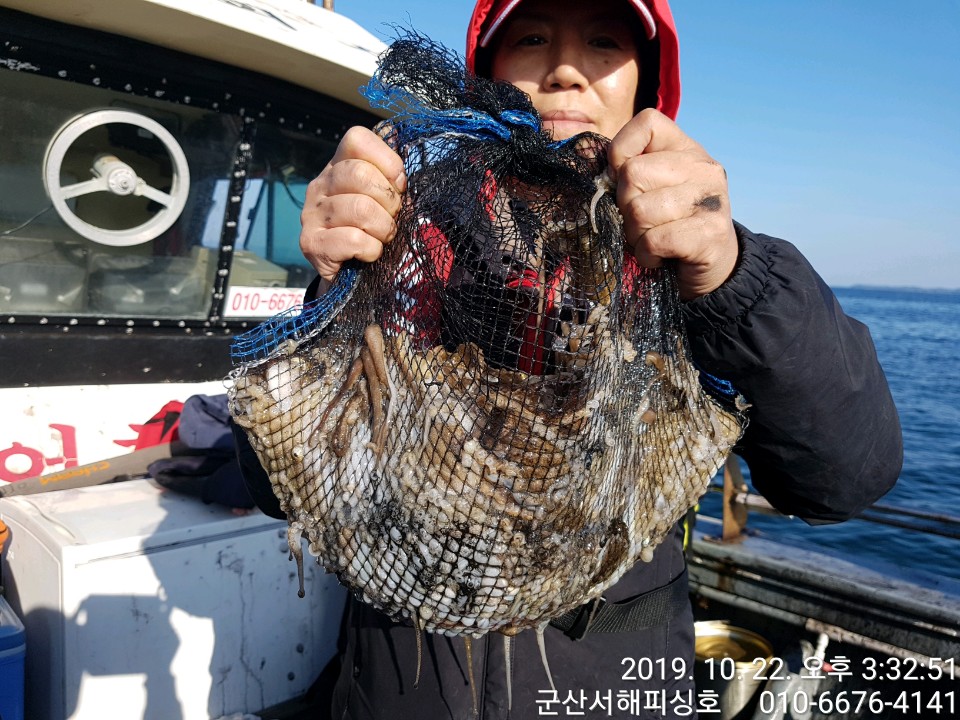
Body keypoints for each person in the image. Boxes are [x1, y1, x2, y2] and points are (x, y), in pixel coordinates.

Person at [254, 0, 903, 717]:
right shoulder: (405, 246)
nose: (566, 70)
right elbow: (272, 480)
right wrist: (333, 291)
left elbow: (843, 481)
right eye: (532, 38)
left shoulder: (688, 265)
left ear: (646, 89)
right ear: (487, 77)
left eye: (603, 42)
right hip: (400, 682)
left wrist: (733, 277)